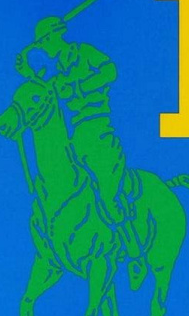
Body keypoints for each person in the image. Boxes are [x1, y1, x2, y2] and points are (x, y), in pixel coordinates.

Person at [16, 16, 145, 281]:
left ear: (56, 36)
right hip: (75, 140)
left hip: (100, 135)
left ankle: (135, 255)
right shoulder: (56, 73)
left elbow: (110, 71)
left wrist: (78, 87)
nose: (44, 48)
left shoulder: (84, 53)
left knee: (108, 197)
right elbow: (44, 92)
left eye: (44, 41)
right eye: (40, 44)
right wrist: (26, 70)